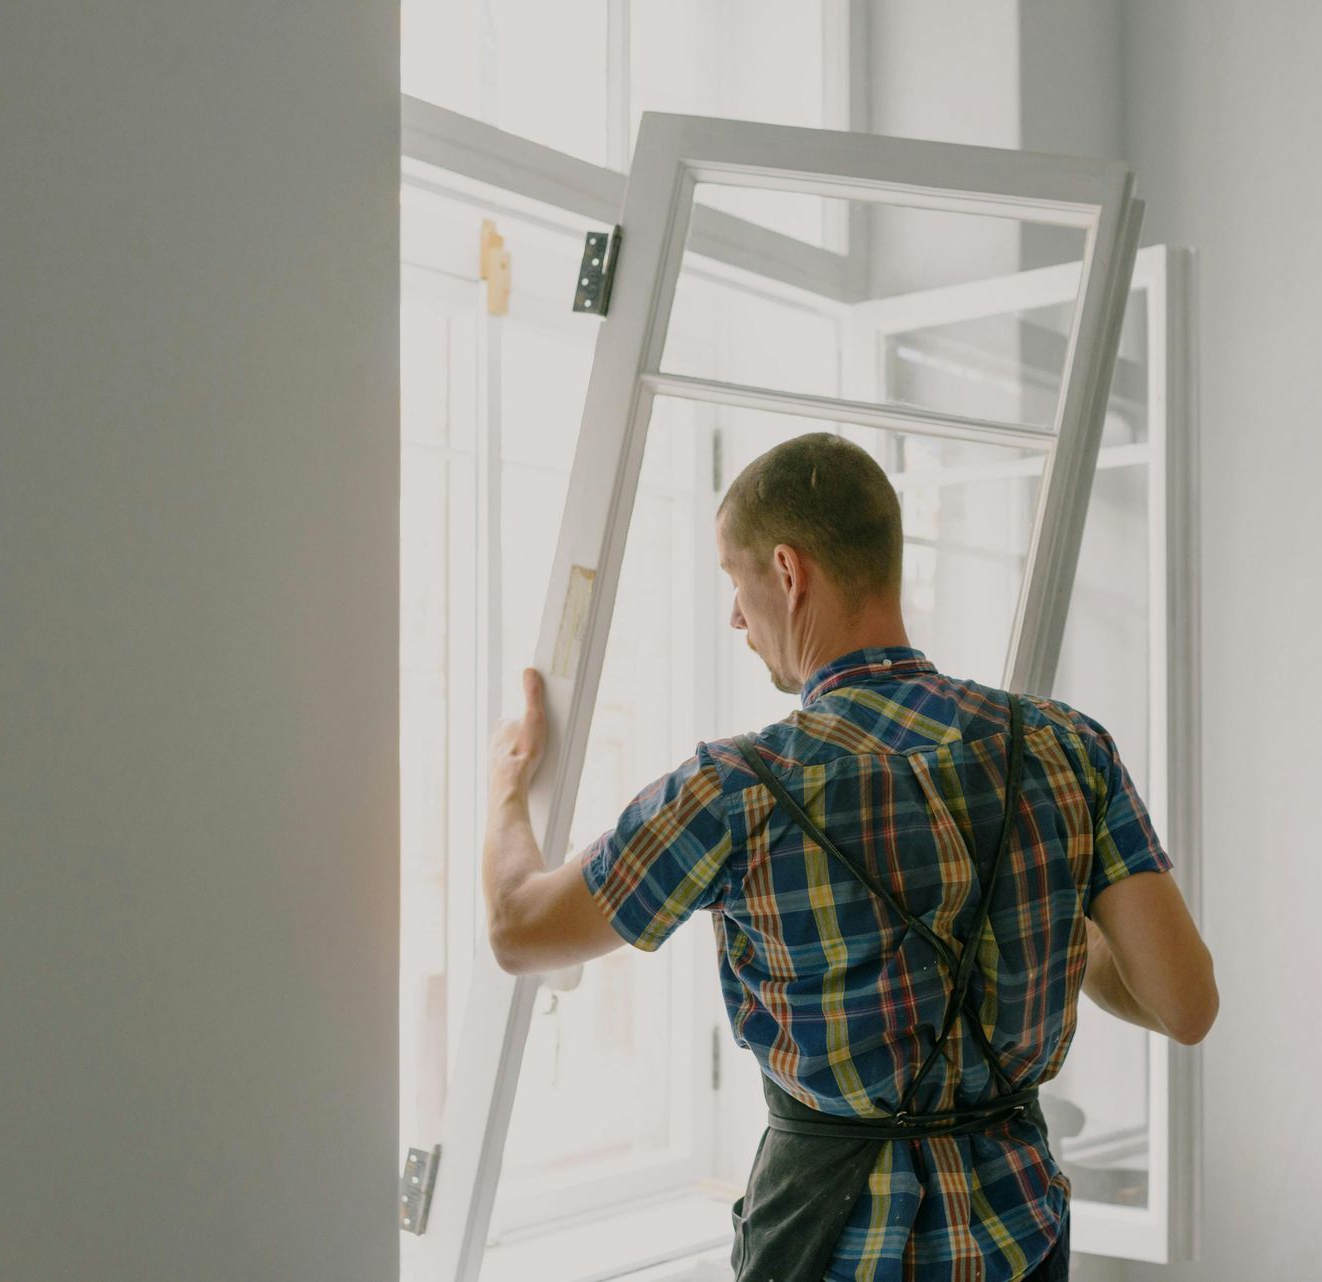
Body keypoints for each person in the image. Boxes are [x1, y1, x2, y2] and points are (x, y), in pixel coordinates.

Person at [482, 433, 1218, 1281]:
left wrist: (506, 791)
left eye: (735, 580)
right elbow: (1186, 1006)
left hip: (831, 1251)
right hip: (1020, 1240)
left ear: (788, 574)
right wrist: (1053, 917)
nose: (733, 615)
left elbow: (518, 929)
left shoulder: (736, 788)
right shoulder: (1065, 747)